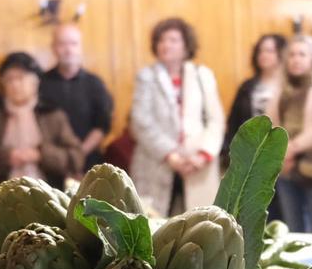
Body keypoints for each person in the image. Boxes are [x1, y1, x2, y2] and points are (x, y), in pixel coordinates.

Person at [129, 17, 225, 217]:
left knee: (198, 226)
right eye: (161, 40)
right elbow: (140, 121)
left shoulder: (202, 75)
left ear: (186, 45)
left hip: (197, 165)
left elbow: (216, 120)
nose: (166, 45)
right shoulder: (147, 76)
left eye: (173, 40)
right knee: (155, 225)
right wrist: (170, 155)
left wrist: (203, 155)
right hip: (158, 163)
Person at [0, 52, 83, 194]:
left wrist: (41, 155)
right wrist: (7, 156)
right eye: (9, 79)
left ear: (35, 82)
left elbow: (76, 157)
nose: (15, 84)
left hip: (49, 194)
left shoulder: (52, 115)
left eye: (20, 78)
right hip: (1, 196)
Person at [266, 35, 312, 233]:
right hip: (286, 167)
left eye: (302, 54)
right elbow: (270, 123)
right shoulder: (281, 90)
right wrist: (281, 153)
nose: (296, 59)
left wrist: (291, 148)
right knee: (292, 228)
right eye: (291, 55)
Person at [39, 23, 114, 173]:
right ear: (53, 47)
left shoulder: (95, 84)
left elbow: (102, 125)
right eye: (62, 44)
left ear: (80, 47)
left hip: (89, 162)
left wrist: (79, 153)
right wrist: (60, 157)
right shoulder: (40, 83)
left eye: (73, 43)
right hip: (49, 165)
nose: (68, 49)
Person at [223, 34, 286, 166]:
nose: (263, 55)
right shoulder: (247, 87)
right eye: (260, 51)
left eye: (269, 51)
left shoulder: (288, 87)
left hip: (283, 155)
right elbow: (234, 121)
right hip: (250, 154)